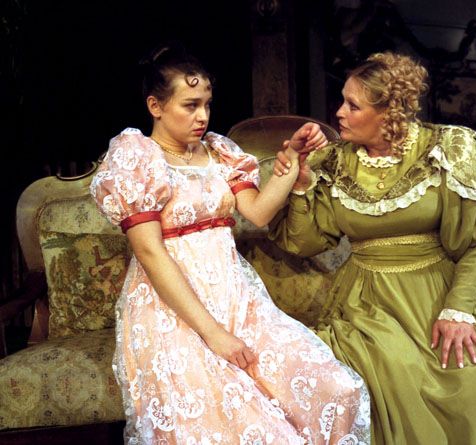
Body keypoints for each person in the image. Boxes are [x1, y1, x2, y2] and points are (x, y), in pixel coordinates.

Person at [269, 52, 476, 445]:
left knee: (470, 376)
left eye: (353, 105)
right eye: (342, 101)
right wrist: (301, 186)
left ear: (389, 113)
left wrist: (458, 309)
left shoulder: (449, 148)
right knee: (387, 371)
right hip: (366, 303)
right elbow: (304, 242)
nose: (339, 113)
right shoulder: (332, 162)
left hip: (443, 291)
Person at [90, 44, 370, 445]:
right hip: (174, 312)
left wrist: (291, 159)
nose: (202, 116)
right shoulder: (137, 158)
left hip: (237, 299)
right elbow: (150, 252)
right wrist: (213, 333)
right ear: (155, 106)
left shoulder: (219, 153)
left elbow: (258, 212)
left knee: (336, 389)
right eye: (190, 105)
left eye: (206, 104)